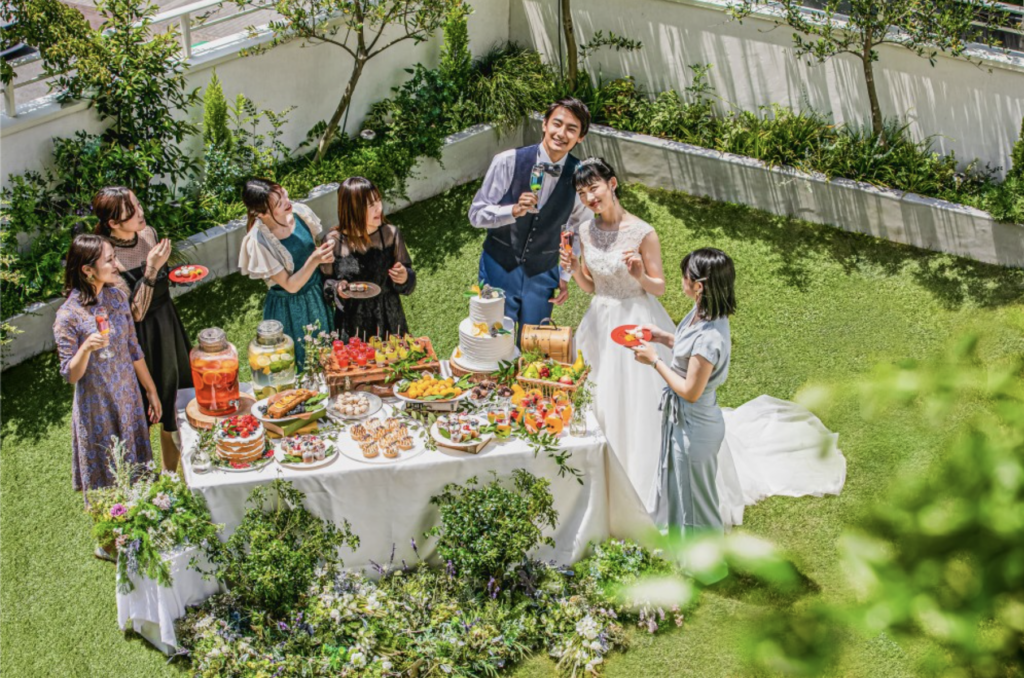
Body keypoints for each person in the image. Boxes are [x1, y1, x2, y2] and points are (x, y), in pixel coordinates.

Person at [631, 249, 847, 535]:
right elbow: (689, 354)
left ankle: (705, 558)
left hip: (694, 426)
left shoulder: (709, 338)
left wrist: (654, 360)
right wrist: (663, 337)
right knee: (684, 493)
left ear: (699, 286)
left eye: (685, 276)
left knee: (698, 506)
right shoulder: (703, 313)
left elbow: (689, 391)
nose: (681, 279)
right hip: (685, 421)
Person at [561, 158, 675, 514]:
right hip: (599, 321)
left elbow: (659, 287)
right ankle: (594, 474)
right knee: (596, 393)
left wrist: (640, 274)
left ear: (612, 184)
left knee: (633, 398)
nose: (589, 197)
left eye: (593, 188)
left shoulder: (643, 232)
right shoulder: (585, 231)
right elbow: (591, 286)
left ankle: (635, 477)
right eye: (582, 193)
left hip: (634, 320)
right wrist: (574, 268)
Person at [469, 97, 592, 339]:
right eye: (557, 123)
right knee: (492, 339)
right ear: (544, 124)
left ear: (581, 137)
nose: (561, 133)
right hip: (498, 267)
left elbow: (577, 230)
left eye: (571, 129)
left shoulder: (581, 176)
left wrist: (564, 275)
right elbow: (476, 214)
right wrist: (512, 210)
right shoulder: (507, 161)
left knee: (534, 343)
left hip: (544, 273)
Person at [93, 187, 191, 473]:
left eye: (138, 204)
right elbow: (134, 313)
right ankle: (141, 480)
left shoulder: (149, 234)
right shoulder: (106, 256)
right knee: (143, 416)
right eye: (132, 211)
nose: (140, 212)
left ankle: (170, 476)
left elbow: (161, 281)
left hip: (168, 327)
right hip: (138, 341)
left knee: (176, 405)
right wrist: (151, 269)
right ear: (113, 223)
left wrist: (169, 273)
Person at [53, 234, 159, 501]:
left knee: (139, 481)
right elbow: (71, 374)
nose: (117, 265)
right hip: (98, 407)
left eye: (115, 258)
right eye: (109, 260)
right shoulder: (68, 316)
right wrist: (86, 348)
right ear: (87, 270)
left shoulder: (117, 298)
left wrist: (150, 390)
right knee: (108, 490)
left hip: (128, 398)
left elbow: (133, 348)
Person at [238, 179, 335, 369]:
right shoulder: (259, 241)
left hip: (316, 295)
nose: (286, 201)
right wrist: (315, 259)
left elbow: (308, 250)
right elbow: (291, 286)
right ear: (262, 213)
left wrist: (322, 255)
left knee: (326, 355)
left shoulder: (300, 213)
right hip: (290, 308)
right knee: (300, 362)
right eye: (278, 203)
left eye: (283, 193)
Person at [321, 177, 416, 341]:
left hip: (388, 318)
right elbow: (325, 283)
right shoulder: (333, 241)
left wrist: (405, 277)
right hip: (351, 323)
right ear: (352, 208)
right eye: (371, 205)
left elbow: (408, 278)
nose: (379, 208)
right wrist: (337, 287)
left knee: (396, 356)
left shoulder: (390, 235)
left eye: (378, 200)